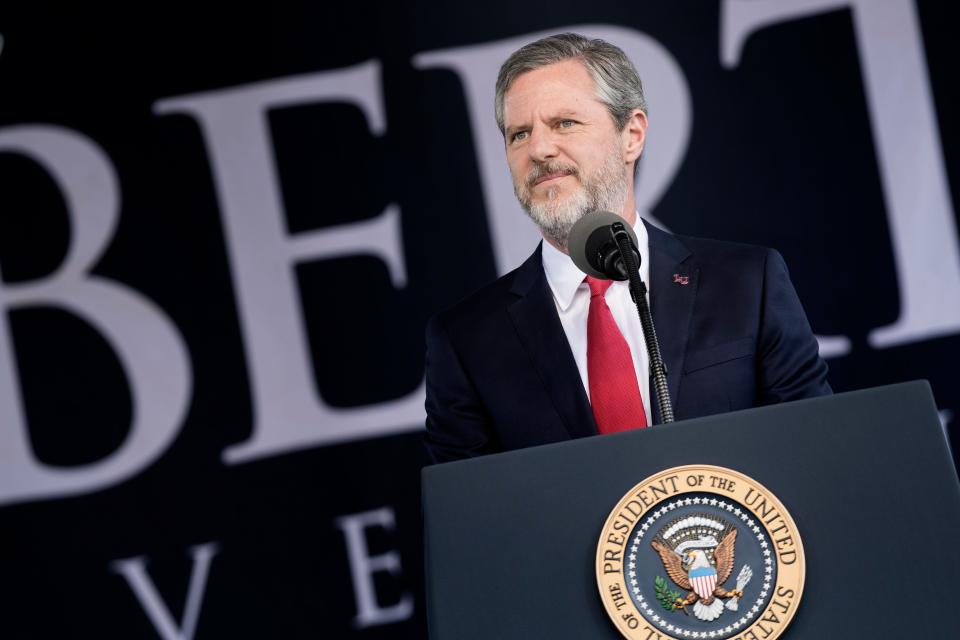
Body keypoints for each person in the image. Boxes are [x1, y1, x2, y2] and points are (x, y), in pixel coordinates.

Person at [424, 33, 830, 463]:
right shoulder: (466, 341)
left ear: (631, 135)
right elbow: (469, 518)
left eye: (564, 123)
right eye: (519, 134)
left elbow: (817, 455)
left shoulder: (747, 284)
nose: (539, 149)